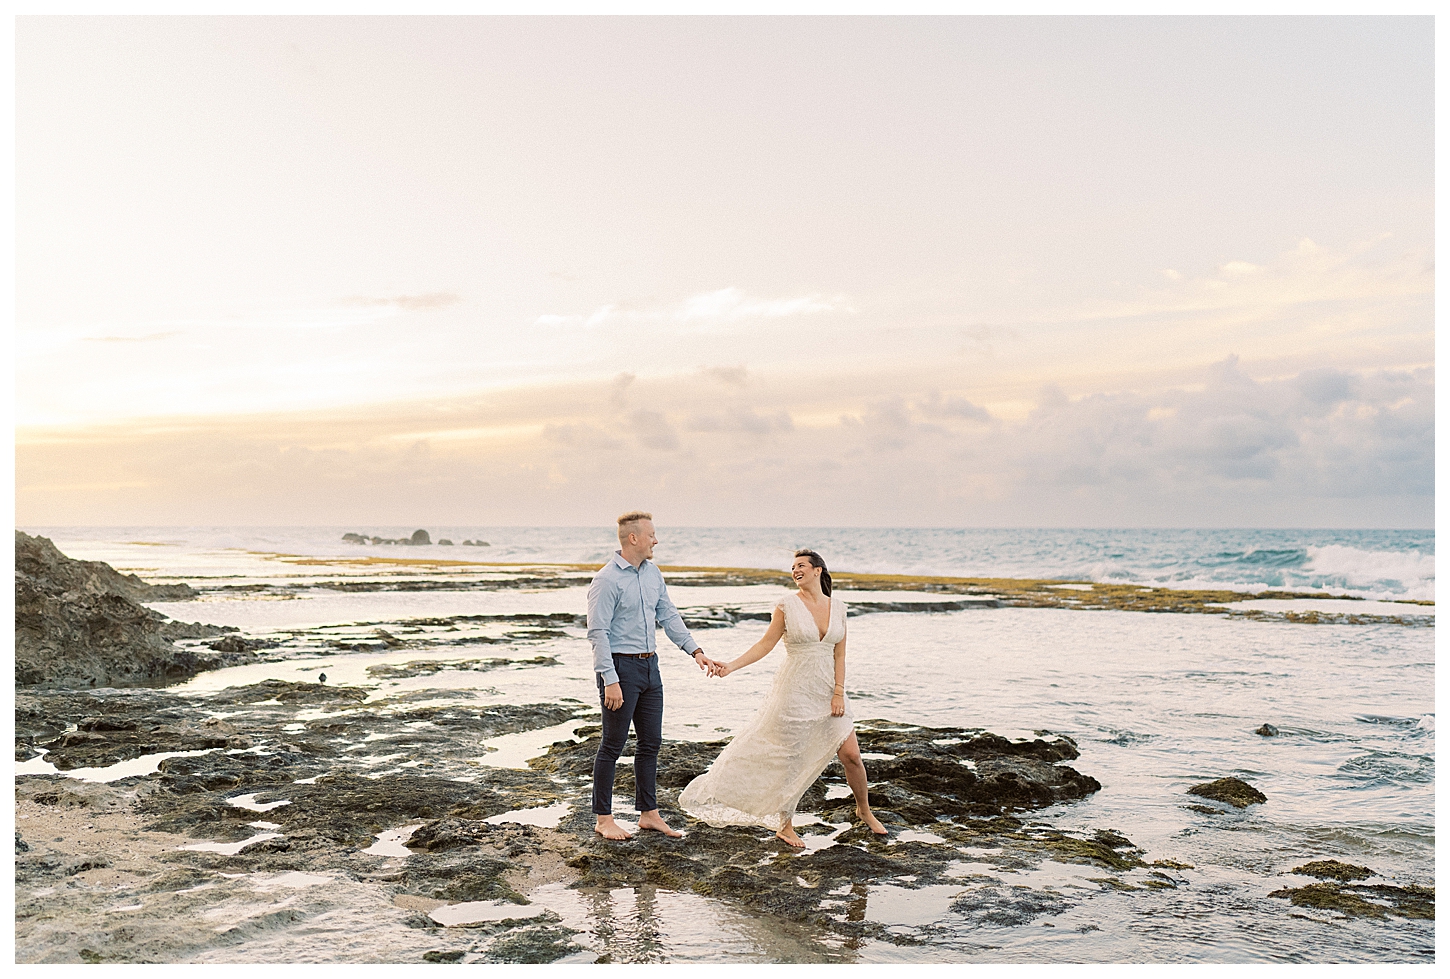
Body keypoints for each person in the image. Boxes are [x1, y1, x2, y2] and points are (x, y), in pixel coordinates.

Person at [679, 549, 889, 847]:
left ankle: (864, 811)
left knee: (852, 756)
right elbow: (765, 644)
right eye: (792, 567)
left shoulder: (839, 607)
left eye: (801, 565)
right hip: (794, 692)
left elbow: (839, 654)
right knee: (790, 759)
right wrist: (731, 666)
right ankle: (785, 825)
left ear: (818, 571)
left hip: (828, 690)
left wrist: (839, 692)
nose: (795, 570)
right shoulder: (786, 606)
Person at [587, 511, 723, 841]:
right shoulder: (606, 580)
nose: (656, 540)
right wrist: (611, 679)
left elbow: (669, 615)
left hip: (651, 667)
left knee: (650, 744)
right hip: (620, 669)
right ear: (633, 538)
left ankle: (649, 814)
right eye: (651, 535)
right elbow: (598, 633)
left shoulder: (653, 574)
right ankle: (604, 819)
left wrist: (696, 651)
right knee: (612, 745)